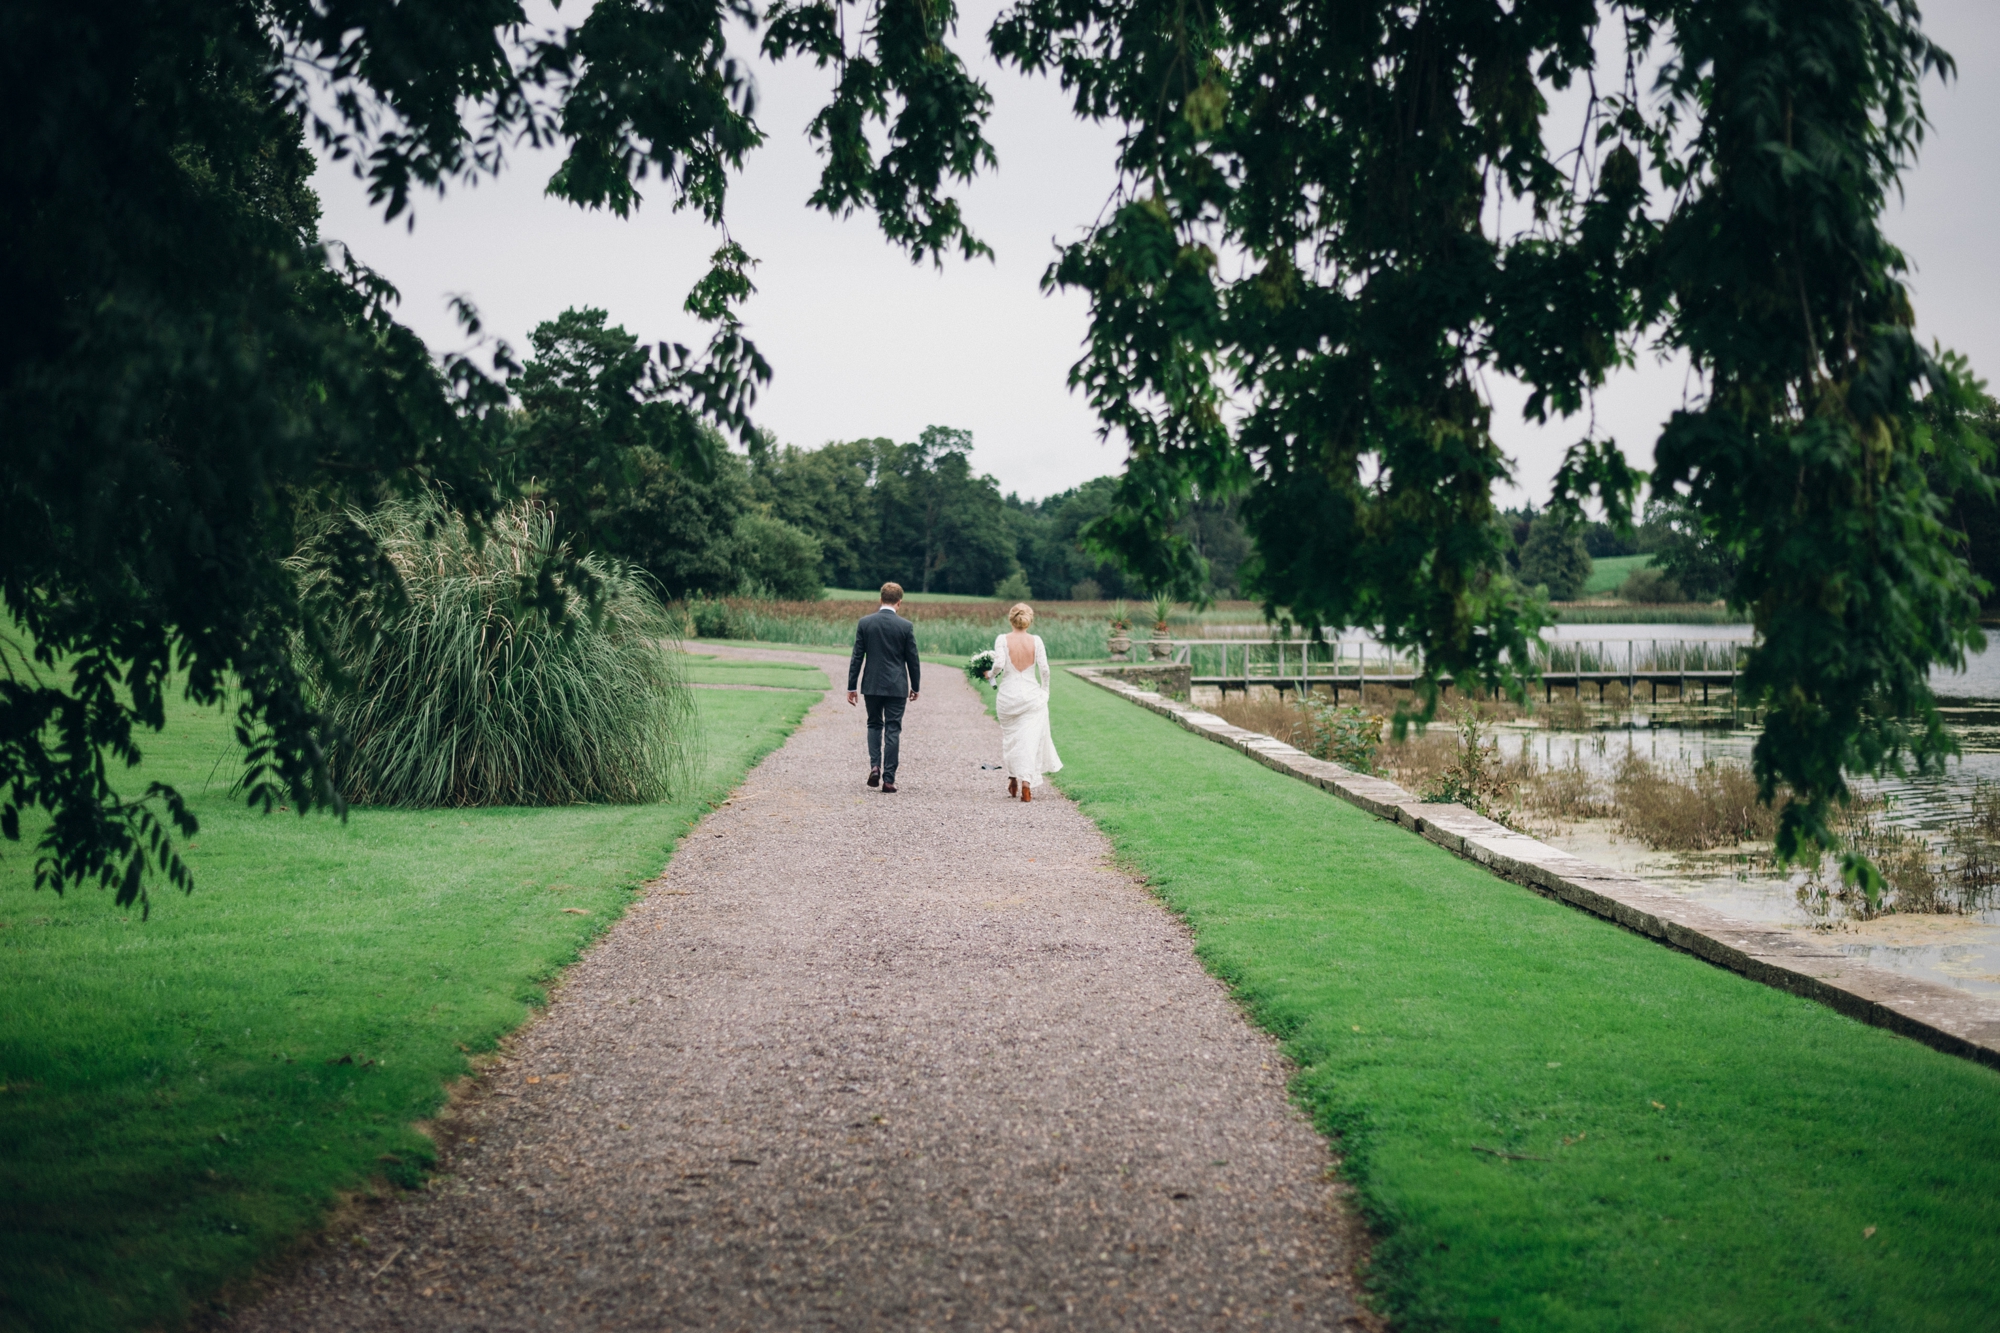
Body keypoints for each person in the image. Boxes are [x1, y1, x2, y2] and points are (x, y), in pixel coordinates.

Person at [847, 582, 921, 793]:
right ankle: (889, 779)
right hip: (897, 685)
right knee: (893, 729)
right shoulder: (905, 626)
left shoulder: (865, 623)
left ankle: (875, 766)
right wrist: (915, 686)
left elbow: (857, 657)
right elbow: (912, 659)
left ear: (880, 600)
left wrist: (851, 686)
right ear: (900, 602)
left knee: (873, 724)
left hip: (872, 684)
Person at [987, 602, 1061, 802]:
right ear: (1029, 620)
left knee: (1010, 739)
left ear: (1011, 619)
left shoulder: (1002, 639)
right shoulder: (1036, 641)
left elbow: (1000, 664)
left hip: (1008, 697)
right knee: (1028, 741)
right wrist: (1045, 691)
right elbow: (1045, 670)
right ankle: (1026, 783)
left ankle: (1012, 779)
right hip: (1031, 696)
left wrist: (990, 675)